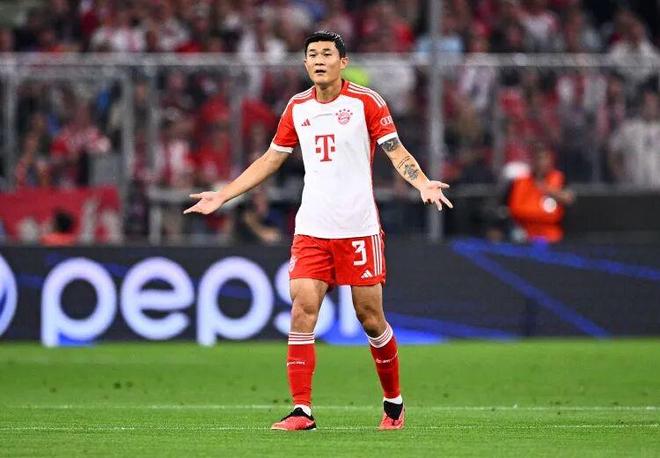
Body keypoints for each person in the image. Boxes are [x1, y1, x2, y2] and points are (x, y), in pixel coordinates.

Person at [184, 31, 452, 431]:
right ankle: (301, 410)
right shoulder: (297, 107)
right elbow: (271, 159)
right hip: (312, 227)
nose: (319, 60)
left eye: (327, 53)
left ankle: (394, 403)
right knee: (302, 309)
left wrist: (423, 183)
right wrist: (224, 195)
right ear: (306, 63)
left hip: (358, 228)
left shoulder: (366, 102)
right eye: (312, 54)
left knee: (370, 318)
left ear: (343, 62)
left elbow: (395, 150)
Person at [508, 143, 575, 243]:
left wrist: (549, 191)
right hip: (525, 234)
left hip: (552, 234)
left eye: (546, 158)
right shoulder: (521, 181)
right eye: (539, 159)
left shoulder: (560, 178)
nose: (542, 163)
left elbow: (569, 198)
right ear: (533, 160)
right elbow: (514, 208)